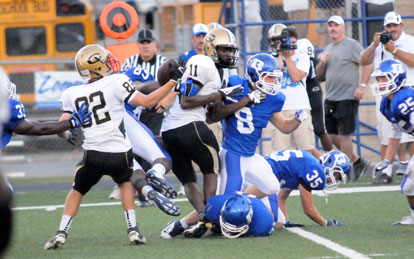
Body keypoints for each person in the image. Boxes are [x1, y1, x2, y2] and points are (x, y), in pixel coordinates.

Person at [44, 44, 182, 249]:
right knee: (125, 183)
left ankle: (61, 231)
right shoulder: (117, 81)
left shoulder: (72, 93)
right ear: (97, 66)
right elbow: (146, 101)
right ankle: (133, 228)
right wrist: (172, 82)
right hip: (119, 152)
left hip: (93, 154)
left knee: (77, 191)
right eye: (106, 60)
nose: (110, 62)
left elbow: (62, 127)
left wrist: (67, 133)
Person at [174, 53, 307, 239]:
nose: (272, 82)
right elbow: (212, 114)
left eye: (274, 78)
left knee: (272, 186)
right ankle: (181, 224)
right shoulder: (235, 84)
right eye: (268, 77)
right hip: (232, 155)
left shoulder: (275, 98)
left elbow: (284, 126)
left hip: (251, 155)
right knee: (221, 204)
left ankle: (241, 205)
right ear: (254, 75)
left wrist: (298, 120)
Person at [160, 28, 249, 239]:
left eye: (230, 50)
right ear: (212, 48)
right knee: (212, 169)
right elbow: (186, 101)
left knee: (188, 180)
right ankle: (212, 217)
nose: (228, 54)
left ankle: (204, 218)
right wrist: (219, 93)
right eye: (224, 49)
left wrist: (245, 101)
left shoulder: (217, 71)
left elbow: (212, 116)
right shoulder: (203, 63)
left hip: (170, 132)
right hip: (188, 126)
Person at [112, 29, 172, 205]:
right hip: (134, 111)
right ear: (137, 45)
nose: (145, 46)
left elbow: (171, 86)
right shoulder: (130, 63)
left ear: (155, 44)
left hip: (155, 110)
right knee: (135, 150)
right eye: (142, 43)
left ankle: (148, 187)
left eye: (148, 42)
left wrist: (165, 99)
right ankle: (142, 189)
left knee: (152, 146)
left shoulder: (163, 62)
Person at [360, 11, 414, 184]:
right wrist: (374, 45)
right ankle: (388, 169)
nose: (392, 29)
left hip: (407, 91)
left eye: (394, 25)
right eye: (389, 26)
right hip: (390, 94)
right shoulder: (379, 44)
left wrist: (394, 50)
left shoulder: (409, 41)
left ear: (401, 25)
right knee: (389, 131)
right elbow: (363, 61)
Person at [316, 15, 372, 181]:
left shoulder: (352, 45)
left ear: (343, 28)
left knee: (344, 135)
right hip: (331, 97)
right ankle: (357, 161)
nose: (332, 28)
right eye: (330, 25)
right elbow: (319, 76)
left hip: (347, 96)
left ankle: (345, 171)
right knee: (331, 135)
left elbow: (367, 63)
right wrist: (322, 62)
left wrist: (362, 86)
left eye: (336, 25)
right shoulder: (328, 49)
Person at [370, 59, 414, 225]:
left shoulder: (404, 99)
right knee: (409, 186)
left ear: (396, 78)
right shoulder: (387, 104)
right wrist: (387, 161)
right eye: (379, 79)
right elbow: (396, 132)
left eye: (383, 79)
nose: (380, 83)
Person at [268, 26, 322, 159]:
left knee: (307, 149)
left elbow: (296, 77)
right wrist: (281, 54)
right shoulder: (272, 58)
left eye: (292, 44)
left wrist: (288, 58)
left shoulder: (303, 57)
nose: (290, 46)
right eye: (287, 43)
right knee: (281, 153)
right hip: (279, 110)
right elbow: (275, 75)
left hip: (300, 106)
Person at [264, 150, 349, 227]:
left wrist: (285, 222)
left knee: (280, 222)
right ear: (329, 162)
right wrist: (326, 223)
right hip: (265, 175)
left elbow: (281, 198)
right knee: (271, 223)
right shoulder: (314, 170)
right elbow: (308, 209)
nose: (333, 179)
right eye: (335, 174)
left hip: (265, 170)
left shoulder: (305, 165)